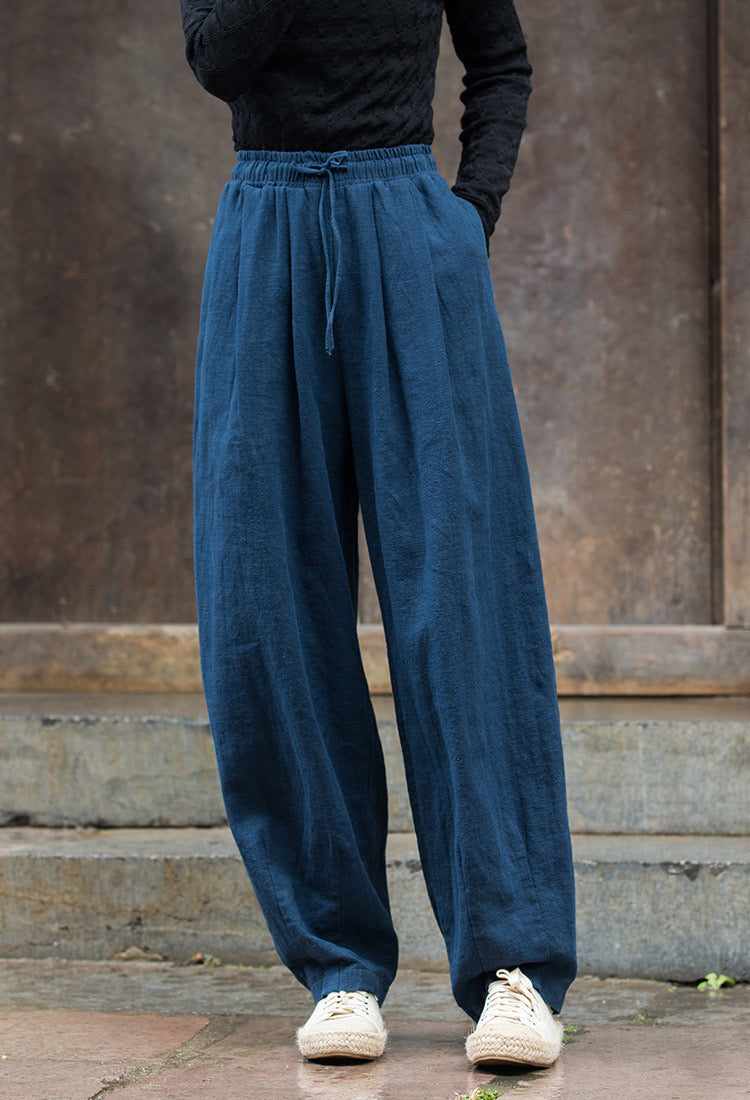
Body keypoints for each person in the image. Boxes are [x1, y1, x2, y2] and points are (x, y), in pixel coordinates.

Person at [180, 0, 577, 1069]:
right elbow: (218, 59)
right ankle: (341, 969)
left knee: (462, 599)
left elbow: (500, 62)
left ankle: (515, 967)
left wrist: (467, 216)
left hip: (408, 228)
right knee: (267, 602)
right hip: (265, 227)